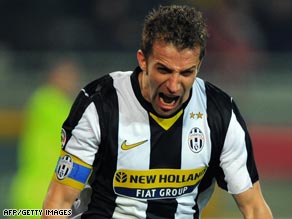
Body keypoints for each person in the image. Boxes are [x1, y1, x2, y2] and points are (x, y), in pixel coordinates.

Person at [42, 5, 273, 219]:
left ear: (199, 66)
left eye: (186, 73)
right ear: (143, 60)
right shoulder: (100, 106)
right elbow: (59, 202)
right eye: (164, 70)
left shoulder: (220, 113)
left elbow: (254, 207)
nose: (173, 85)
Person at [9, 59, 80, 219]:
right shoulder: (45, 100)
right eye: (67, 76)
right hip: (38, 194)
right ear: (53, 77)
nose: (72, 81)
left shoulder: (52, 104)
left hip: (41, 192)